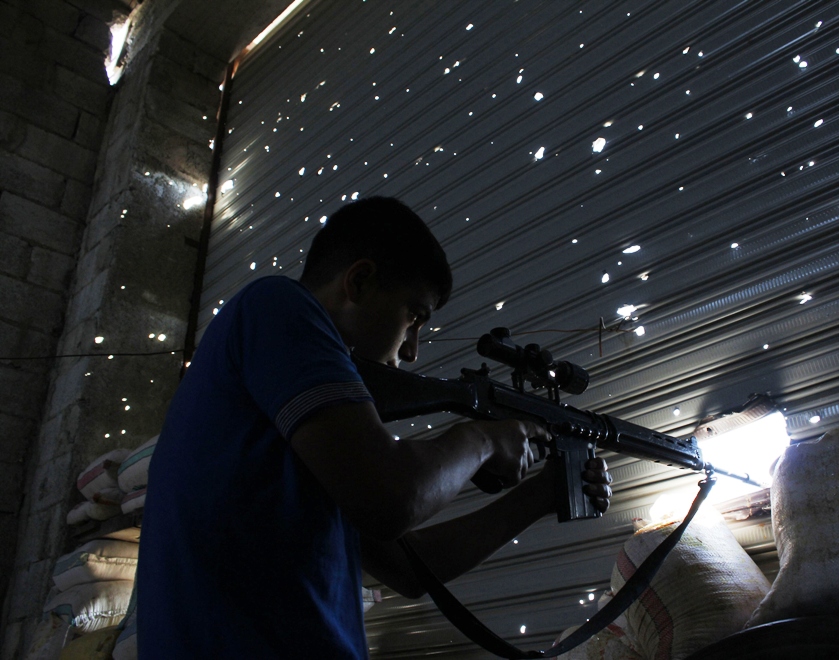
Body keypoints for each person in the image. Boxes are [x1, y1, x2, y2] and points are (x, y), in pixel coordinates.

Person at [137, 196, 612, 658]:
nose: (411, 351)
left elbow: (408, 569)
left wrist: (542, 495)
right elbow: (392, 497)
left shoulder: (305, 438)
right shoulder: (276, 305)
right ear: (360, 281)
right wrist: (483, 439)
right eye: (414, 317)